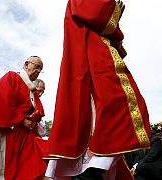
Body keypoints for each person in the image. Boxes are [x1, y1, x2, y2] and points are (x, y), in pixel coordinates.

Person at [44, 0, 151, 179]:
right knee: (116, 102)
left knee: (112, 107)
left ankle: (93, 169)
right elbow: (92, 11)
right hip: (91, 53)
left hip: (94, 50)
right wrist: (113, 12)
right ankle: (90, 170)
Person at [0, 56, 47, 180]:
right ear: (26, 64)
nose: (38, 71)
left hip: (22, 138)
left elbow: (36, 112)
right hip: (4, 131)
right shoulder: (12, 77)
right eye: (36, 66)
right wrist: (22, 120)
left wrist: (35, 122)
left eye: (41, 69)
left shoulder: (32, 92)